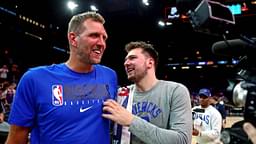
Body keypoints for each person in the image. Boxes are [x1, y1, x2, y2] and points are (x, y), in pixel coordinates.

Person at [6, 11, 118, 144]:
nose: (102, 43)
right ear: (73, 39)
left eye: (104, 38)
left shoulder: (110, 76)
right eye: (94, 35)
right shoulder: (35, 79)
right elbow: (16, 139)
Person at [102, 41, 192, 144]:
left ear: (150, 62)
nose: (126, 63)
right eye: (125, 60)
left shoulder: (175, 91)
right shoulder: (121, 94)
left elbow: (182, 140)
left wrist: (131, 121)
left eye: (132, 58)